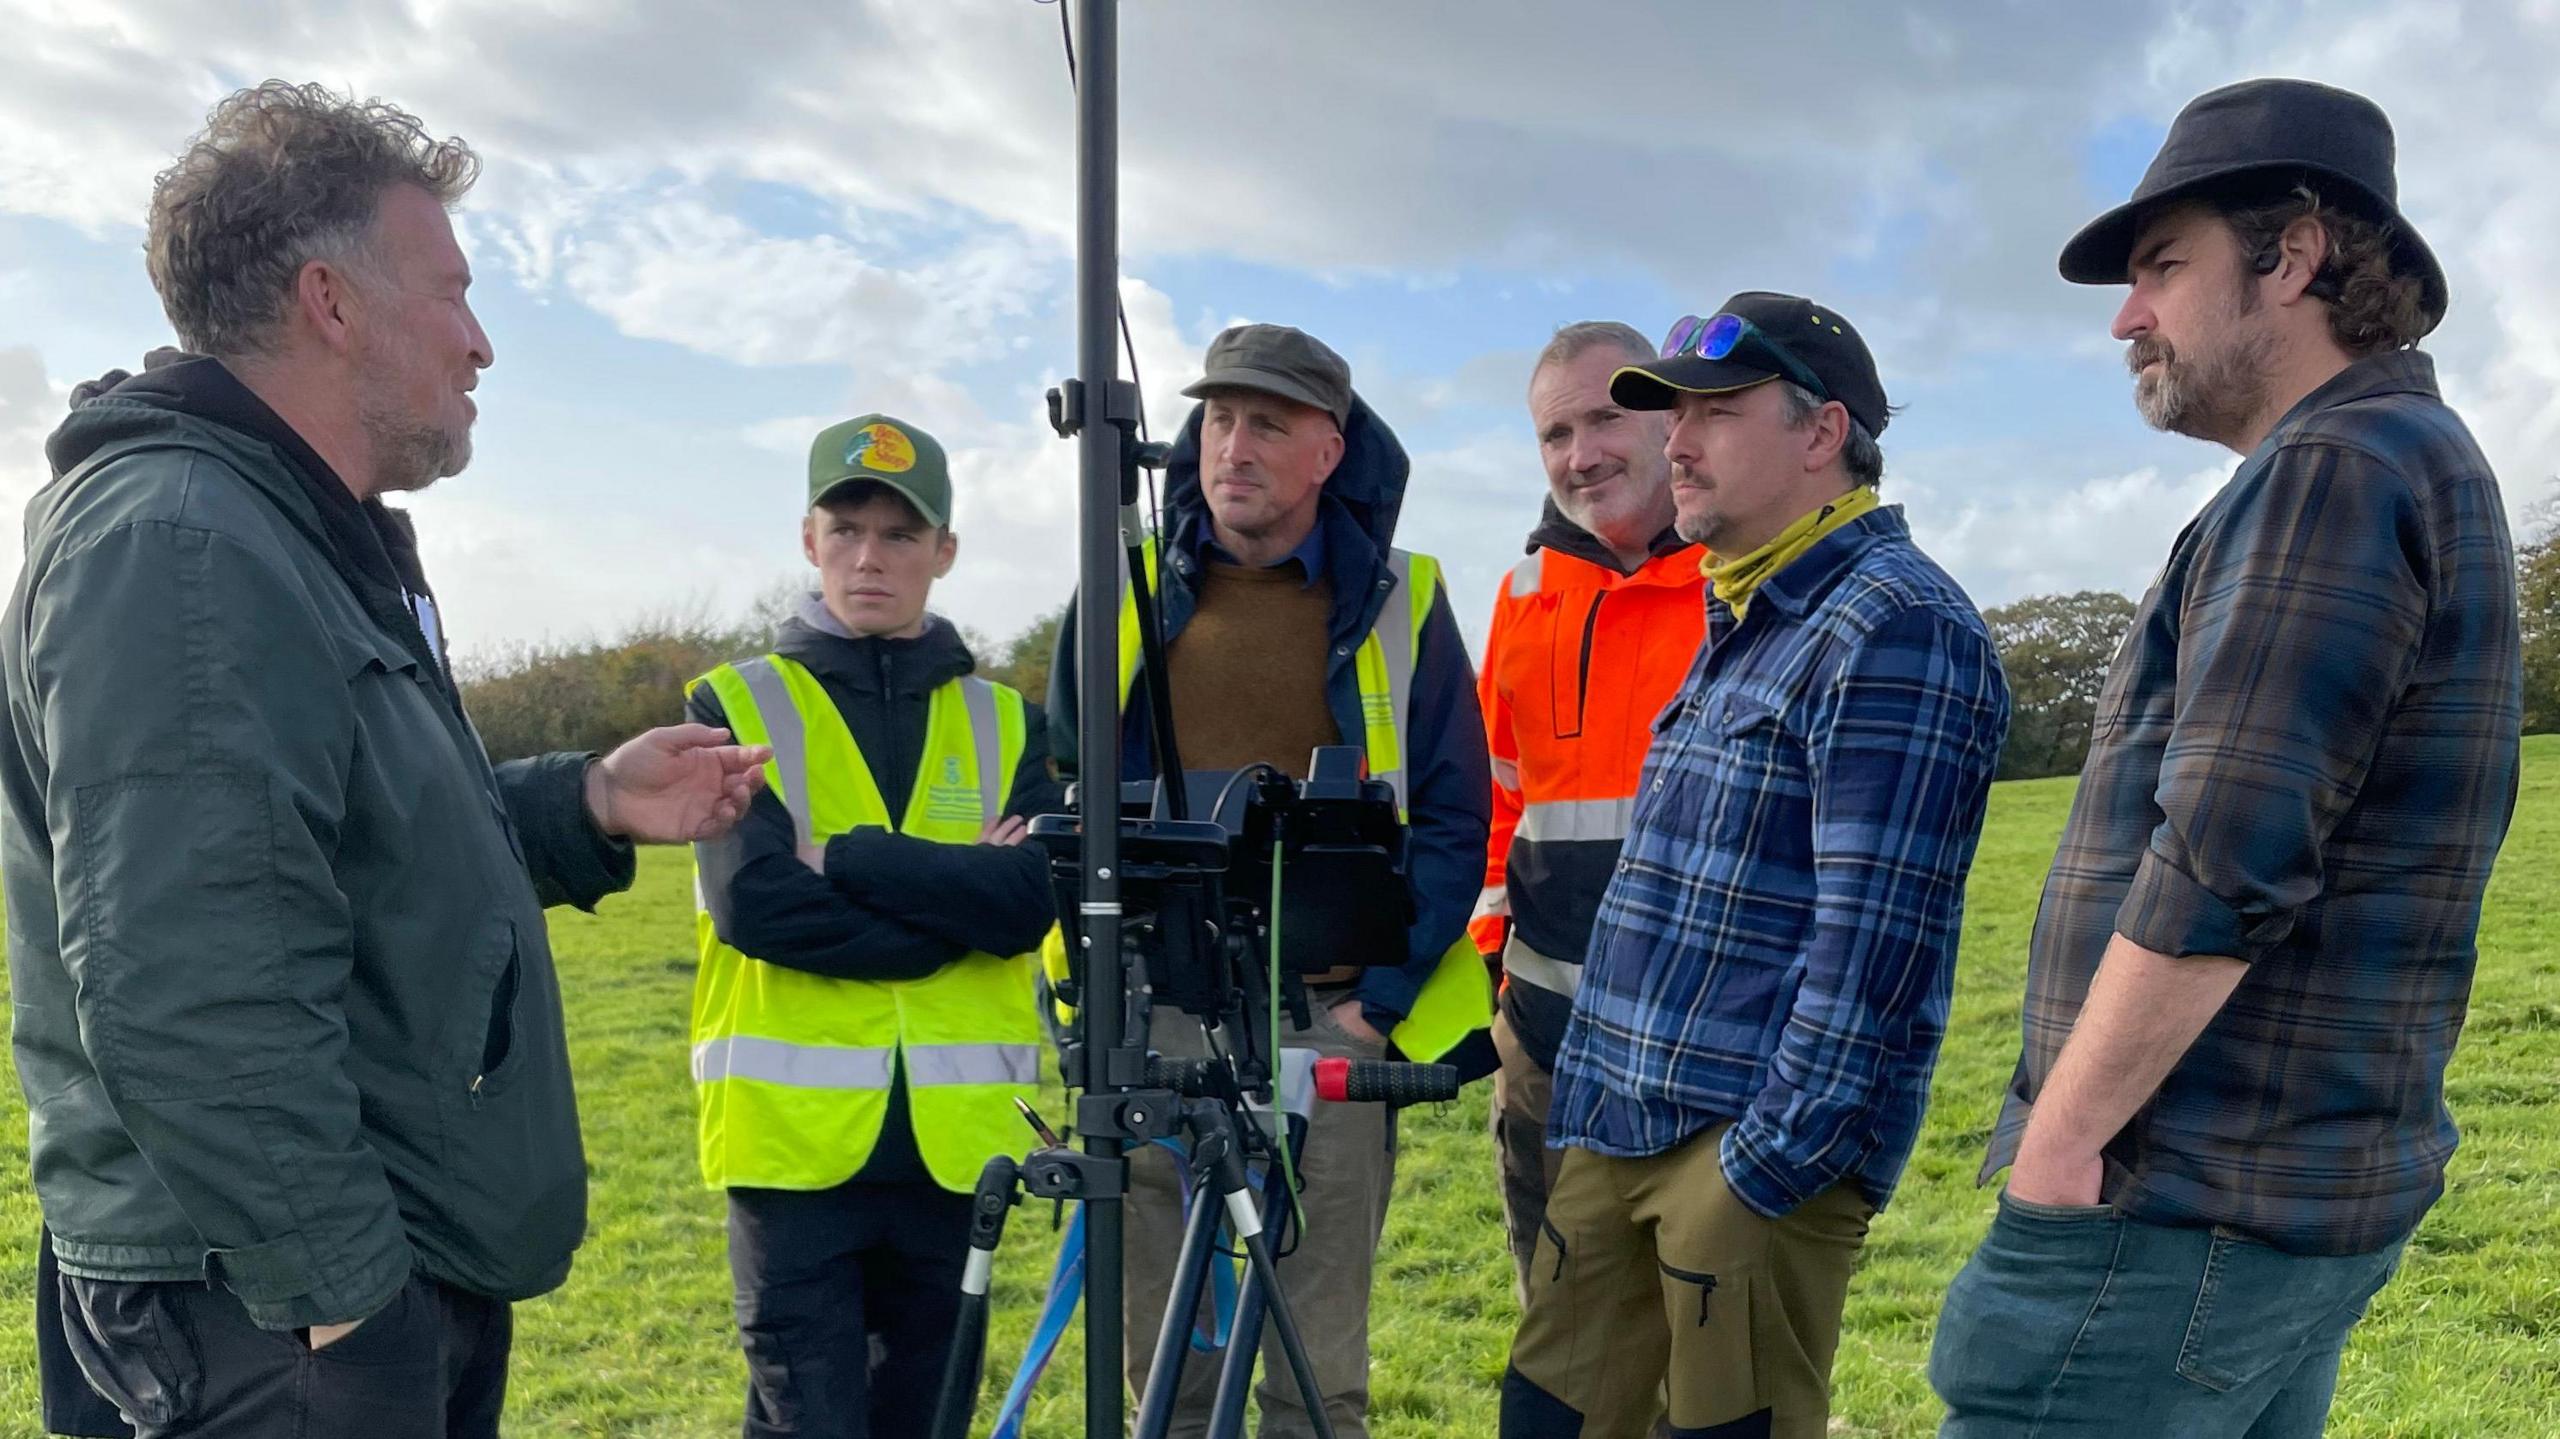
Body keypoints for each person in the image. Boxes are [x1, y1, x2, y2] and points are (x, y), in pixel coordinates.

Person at [2, 81, 768, 1439]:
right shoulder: (182, 547)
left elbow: (345, 851)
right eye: (454, 293)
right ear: (331, 303)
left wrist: (582, 799)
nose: (481, 344)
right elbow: (189, 979)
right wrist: (348, 1307)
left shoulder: (291, 533)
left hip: (330, 1275)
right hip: (266, 1311)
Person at [1930, 78, 2523, 1439]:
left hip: (2177, 1202)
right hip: (2286, 1197)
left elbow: (2221, 862)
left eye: (2160, 267)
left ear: (2295, 254)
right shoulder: (2412, 457)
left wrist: (2061, 1144)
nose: (2128, 315)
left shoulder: (2334, 469)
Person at [1502, 293, 2011, 1439]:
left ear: (1821, 432)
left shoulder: (1895, 622)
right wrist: (1582, 1108)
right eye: (1670, 415)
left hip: (1737, 1163)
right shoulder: (1746, 610)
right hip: (1610, 1124)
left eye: (1713, 412)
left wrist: (1762, 1172)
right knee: (1544, 1416)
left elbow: (1873, 948)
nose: (1673, 443)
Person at [1047, 323, 1492, 1437]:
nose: (1232, 444)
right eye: (1221, 417)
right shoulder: (1122, 586)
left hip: (1324, 1032)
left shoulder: (1406, 598)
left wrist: (1375, 1008)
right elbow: (1062, 789)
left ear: (1328, 449)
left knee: (1315, 1372)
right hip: (1161, 1024)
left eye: (1269, 422)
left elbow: (1452, 816)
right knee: (1171, 1377)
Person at [685, 414, 1061, 1439]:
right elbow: (756, 904)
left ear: (944, 551)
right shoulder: (732, 701)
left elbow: (1029, 900)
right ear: (809, 539)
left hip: (954, 1155)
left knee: (928, 1422)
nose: (869, 555)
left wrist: (845, 859)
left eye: (900, 534)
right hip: (792, 1152)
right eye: (845, 527)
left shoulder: (1012, 718)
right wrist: (955, 908)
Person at [1474, 320, 1705, 1301]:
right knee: (1562, 1346)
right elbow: (1498, 800)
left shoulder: (1748, 575)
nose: (1582, 454)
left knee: (1704, 1374)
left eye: (1606, 416)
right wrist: (1497, 980)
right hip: (1545, 1037)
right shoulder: (1522, 593)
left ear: (1669, 417)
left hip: (1708, 1045)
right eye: (1554, 433)